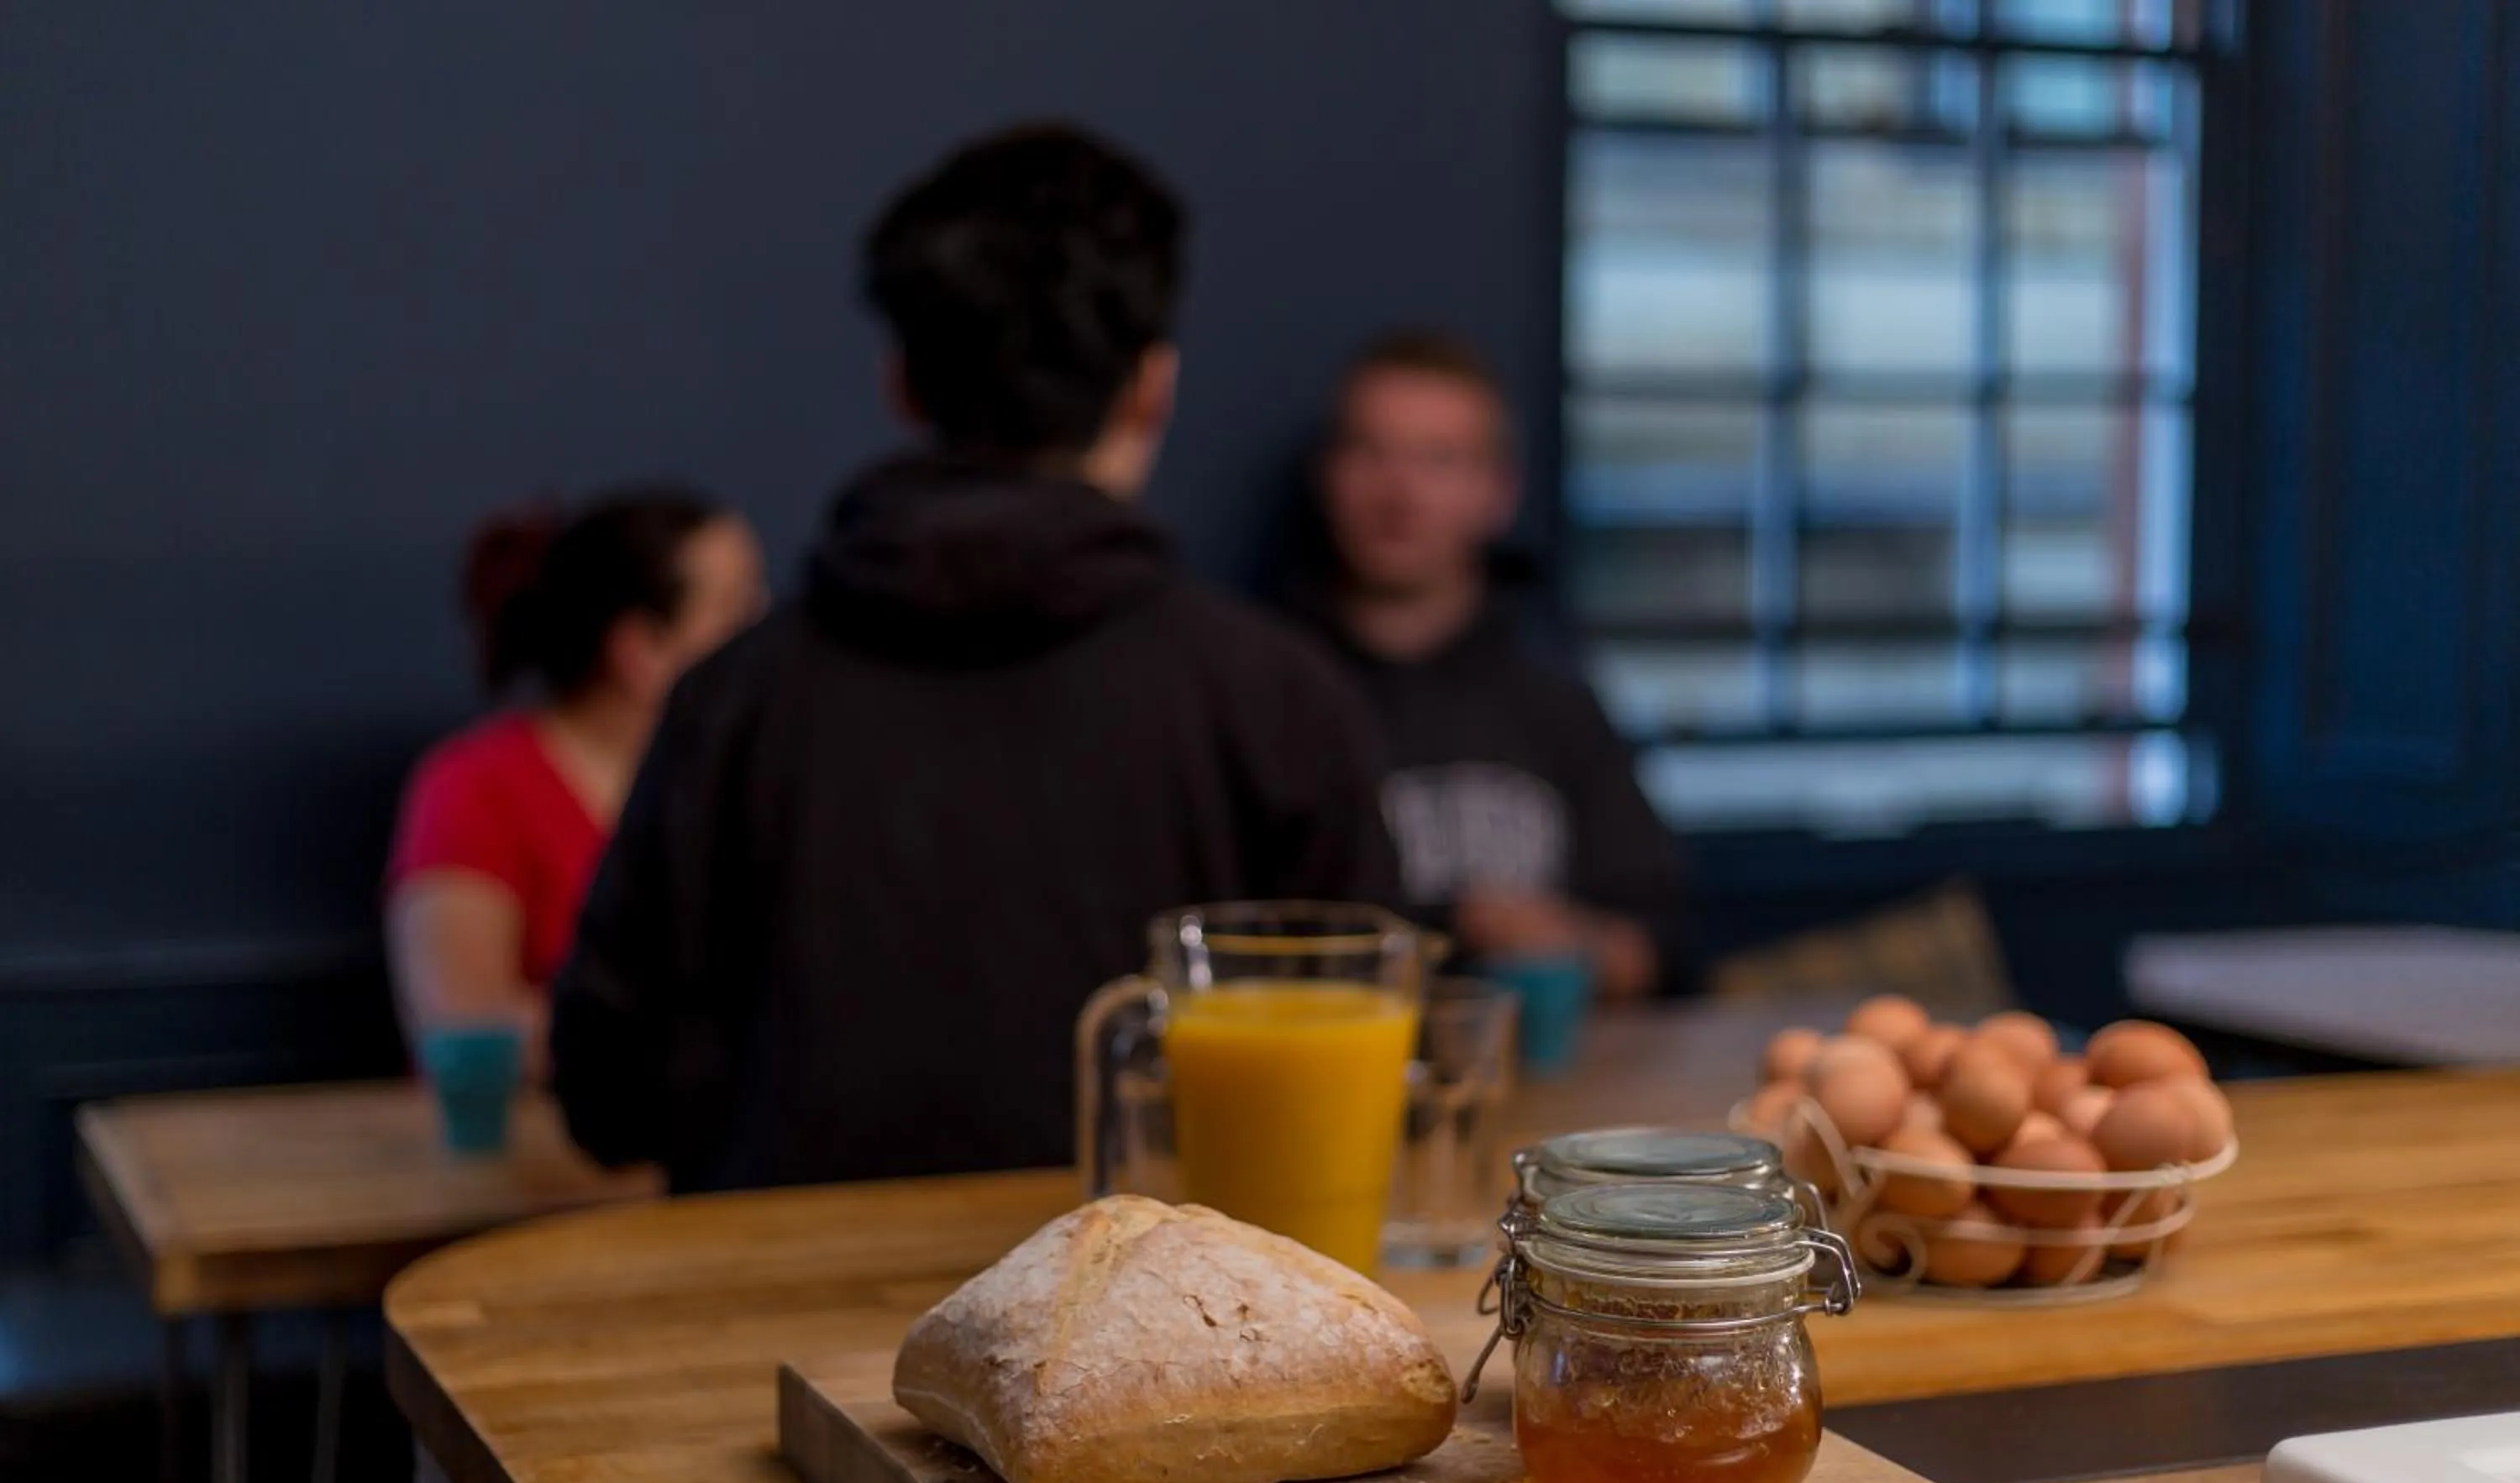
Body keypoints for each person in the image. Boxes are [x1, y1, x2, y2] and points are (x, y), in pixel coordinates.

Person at [550, 123, 1397, 1192]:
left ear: (902, 381)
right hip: (1164, 1343)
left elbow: (606, 1090)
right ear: (1152, 386)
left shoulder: (736, 698)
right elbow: (1367, 1087)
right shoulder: (1278, 699)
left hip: (769, 1331)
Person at [1287, 329, 1692, 1003]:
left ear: (1497, 491)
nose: (1400, 491)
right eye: (1371, 453)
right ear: (1329, 474)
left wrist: (1563, 940)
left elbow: (1664, 948)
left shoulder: (1556, 698)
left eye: (1438, 460)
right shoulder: (1263, 693)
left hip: (1540, 1082)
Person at [386, 490, 768, 1068]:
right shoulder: (475, 786)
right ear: (640, 651)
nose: (767, 638)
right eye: (737, 614)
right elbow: (467, 1028)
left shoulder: (751, 779)